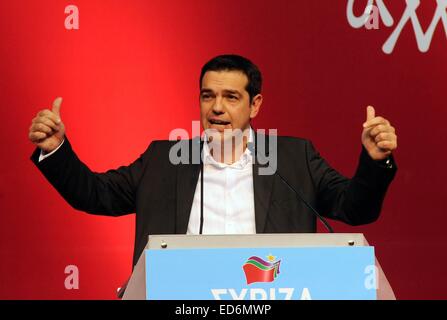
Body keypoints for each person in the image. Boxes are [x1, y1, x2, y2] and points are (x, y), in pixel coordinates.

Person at [28, 54, 398, 270]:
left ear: (255, 105)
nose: (217, 108)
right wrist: (57, 149)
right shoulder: (165, 160)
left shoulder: (293, 157)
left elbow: (355, 209)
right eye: (208, 96)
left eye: (230, 97)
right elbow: (94, 195)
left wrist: (373, 160)